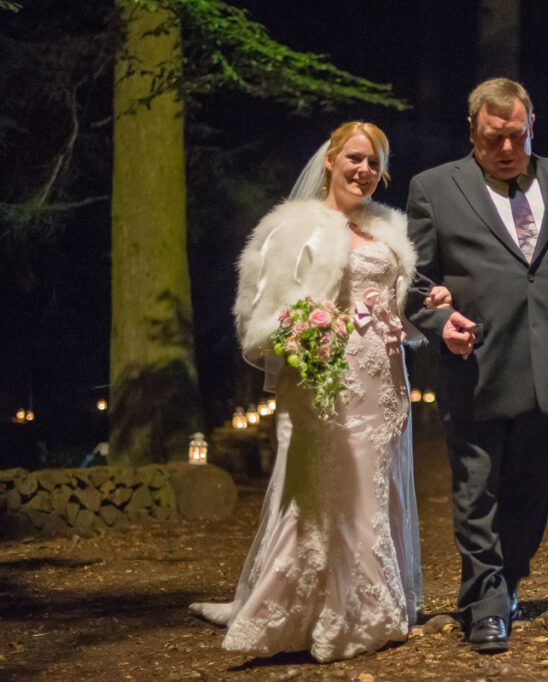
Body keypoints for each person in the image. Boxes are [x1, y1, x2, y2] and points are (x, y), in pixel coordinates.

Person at [404, 78, 548, 653]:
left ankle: (505, 582)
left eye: (516, 136)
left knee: (537, 490)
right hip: (475, 365)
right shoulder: (434, 189)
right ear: (471, 131)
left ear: (531, 127)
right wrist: (439, 320)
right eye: (492, 137)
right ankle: (486, 604)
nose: (506, 148)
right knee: (477, 490)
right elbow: (412, 280)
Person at [189, 122, 424, 662]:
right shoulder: (296, 228)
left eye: (374, 163)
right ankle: (317, 611)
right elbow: (267, 308)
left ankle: (370, 602)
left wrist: (429, 304)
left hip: (386, 378)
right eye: (355, 158)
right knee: (324, 489)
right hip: (328, 377)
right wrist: (301, 335)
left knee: (373, 486)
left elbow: (401, 300)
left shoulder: (388, 229)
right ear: (330, 160)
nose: (364, 170)